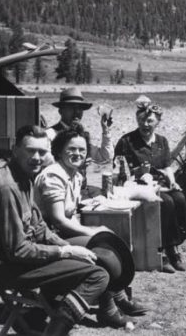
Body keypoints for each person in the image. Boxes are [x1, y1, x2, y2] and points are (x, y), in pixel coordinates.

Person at [0, 125, 109, 335]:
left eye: (42, 152)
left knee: (91, 256)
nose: (36, 157)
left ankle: (45, 315)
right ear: (15, 149)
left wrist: (67, 246)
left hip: (21, 260)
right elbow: (17, 250)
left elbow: (39, 227)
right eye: (30, 150)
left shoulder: (24, 177)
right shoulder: (7, 188)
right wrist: (66, 252)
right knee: (97, 275)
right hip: (9, 267)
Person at [35, 125, 148, 327]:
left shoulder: (75, 175)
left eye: (82, 150)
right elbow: (58, 220)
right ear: (59, 150)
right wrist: (93, 231)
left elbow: (71, 215)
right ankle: (110, 309)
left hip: (59, 233)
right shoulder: (54, 175)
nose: (77, 153)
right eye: (71, 149)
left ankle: (118, 298)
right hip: (45, 238)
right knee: (100, 250)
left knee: (109, 242)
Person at [114, 96, 186, 274]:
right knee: (166, 203)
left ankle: (174, 248)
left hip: (160, 183)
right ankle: (163, 251)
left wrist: (173, 181)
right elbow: (119, 169)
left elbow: (166, 166)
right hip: (137, 186)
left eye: (150, 120)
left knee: (179, 198)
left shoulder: (162, 141)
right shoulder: (127, 141)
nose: (145, 124)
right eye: (141, 120)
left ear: (157, 122)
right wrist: (138, 173)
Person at [49, 87, 113, 165]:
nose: (77, 112)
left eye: (80, 108)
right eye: (72, 108)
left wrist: (106, 130)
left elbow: (105, 158)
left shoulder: (82, 137)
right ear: (61, 111)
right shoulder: (49, 135)